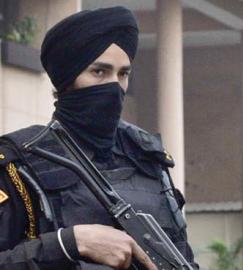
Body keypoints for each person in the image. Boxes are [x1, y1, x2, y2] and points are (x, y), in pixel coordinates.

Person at [0, 6, 198, 270]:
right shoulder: (20, 162)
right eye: (99, 72)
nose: (114, 86)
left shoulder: (148, 158)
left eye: (123, 74)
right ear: (67, 79)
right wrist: (68, 244)